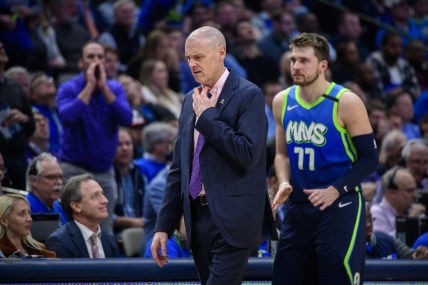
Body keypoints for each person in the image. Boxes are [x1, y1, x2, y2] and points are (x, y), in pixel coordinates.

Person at [150, 26, 277, 285]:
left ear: (221, 52)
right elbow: (179, 168)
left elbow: (248, 154)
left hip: (234, 218)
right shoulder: (190, 99)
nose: (192, 64)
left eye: (199, 57)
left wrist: (209, 118)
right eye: (188, 58)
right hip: (197, 218)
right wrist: (163, 226)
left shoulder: (248, 94)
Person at [271, 32, 379, 285]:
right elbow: (281, 154)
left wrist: (335, 190)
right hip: (297, 208)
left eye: (304, 61)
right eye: (293, 60)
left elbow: (369, 160)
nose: (296, 66)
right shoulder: (282, 101)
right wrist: (284, 180)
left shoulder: (346, 101)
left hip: (339, 206)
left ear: (323, 65)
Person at [57, 41, 133, 234]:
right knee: (71, 228)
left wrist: (104, 88)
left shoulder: (114, 88)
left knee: (104, 231)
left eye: (100, 57)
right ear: (81, 63)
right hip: (72, 169)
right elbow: (67, 117)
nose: (96, 61)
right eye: (91, 57)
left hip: (104, 171)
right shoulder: (68, 88)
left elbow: (127, 117)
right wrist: (90, 86)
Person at [45, 174, 120, 258]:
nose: (105, 200)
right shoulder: (59, 242)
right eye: (95, 196)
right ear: (76, 206)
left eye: (102, 194)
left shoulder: (110, 241)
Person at [0, 40, 35, 190]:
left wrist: (23, 118)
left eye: (2, 46)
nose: (2, 48)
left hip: (18, 159)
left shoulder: (14, 87)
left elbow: (31, 124)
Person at [371, 167, 425, 238]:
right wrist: (410, 221)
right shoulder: (376, 212)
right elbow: (384, 243)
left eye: (414, 190)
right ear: (392, 192)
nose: (414, 195)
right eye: (409, 191)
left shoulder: (413, 210)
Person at [0, 194, 56, 258]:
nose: (29, 219)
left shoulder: (41, 251)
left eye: (29, 213)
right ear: (4, 221)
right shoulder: (2, 253)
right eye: (22, 214)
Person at [113, 128, 145, 234]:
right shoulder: (105, 177)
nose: (125, 148)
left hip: (141, 230)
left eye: (128, 144)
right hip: (114, 233)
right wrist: (131, 222)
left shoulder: (139, 174)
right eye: (119, 144)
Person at [25, 153, 68, 226]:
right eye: (51, 177)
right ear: (33, 181)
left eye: (60, 177)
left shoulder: (59, 207)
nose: (59, 182)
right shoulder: (25, 209)